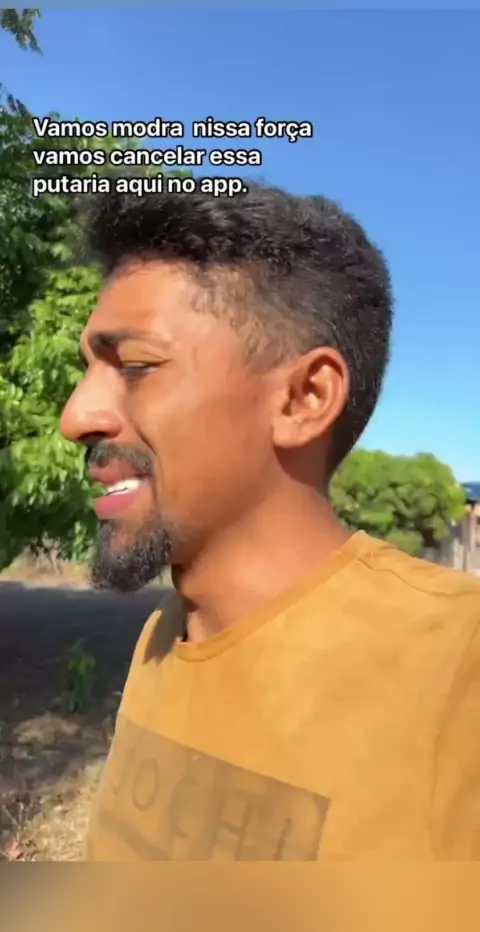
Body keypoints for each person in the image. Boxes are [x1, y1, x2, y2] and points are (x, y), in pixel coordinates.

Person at [61, 183, 480, 861]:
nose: (76, 417)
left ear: (304, 398)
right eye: (90, 371)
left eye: (135, 366)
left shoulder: (458, 663)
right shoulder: (162, 637)